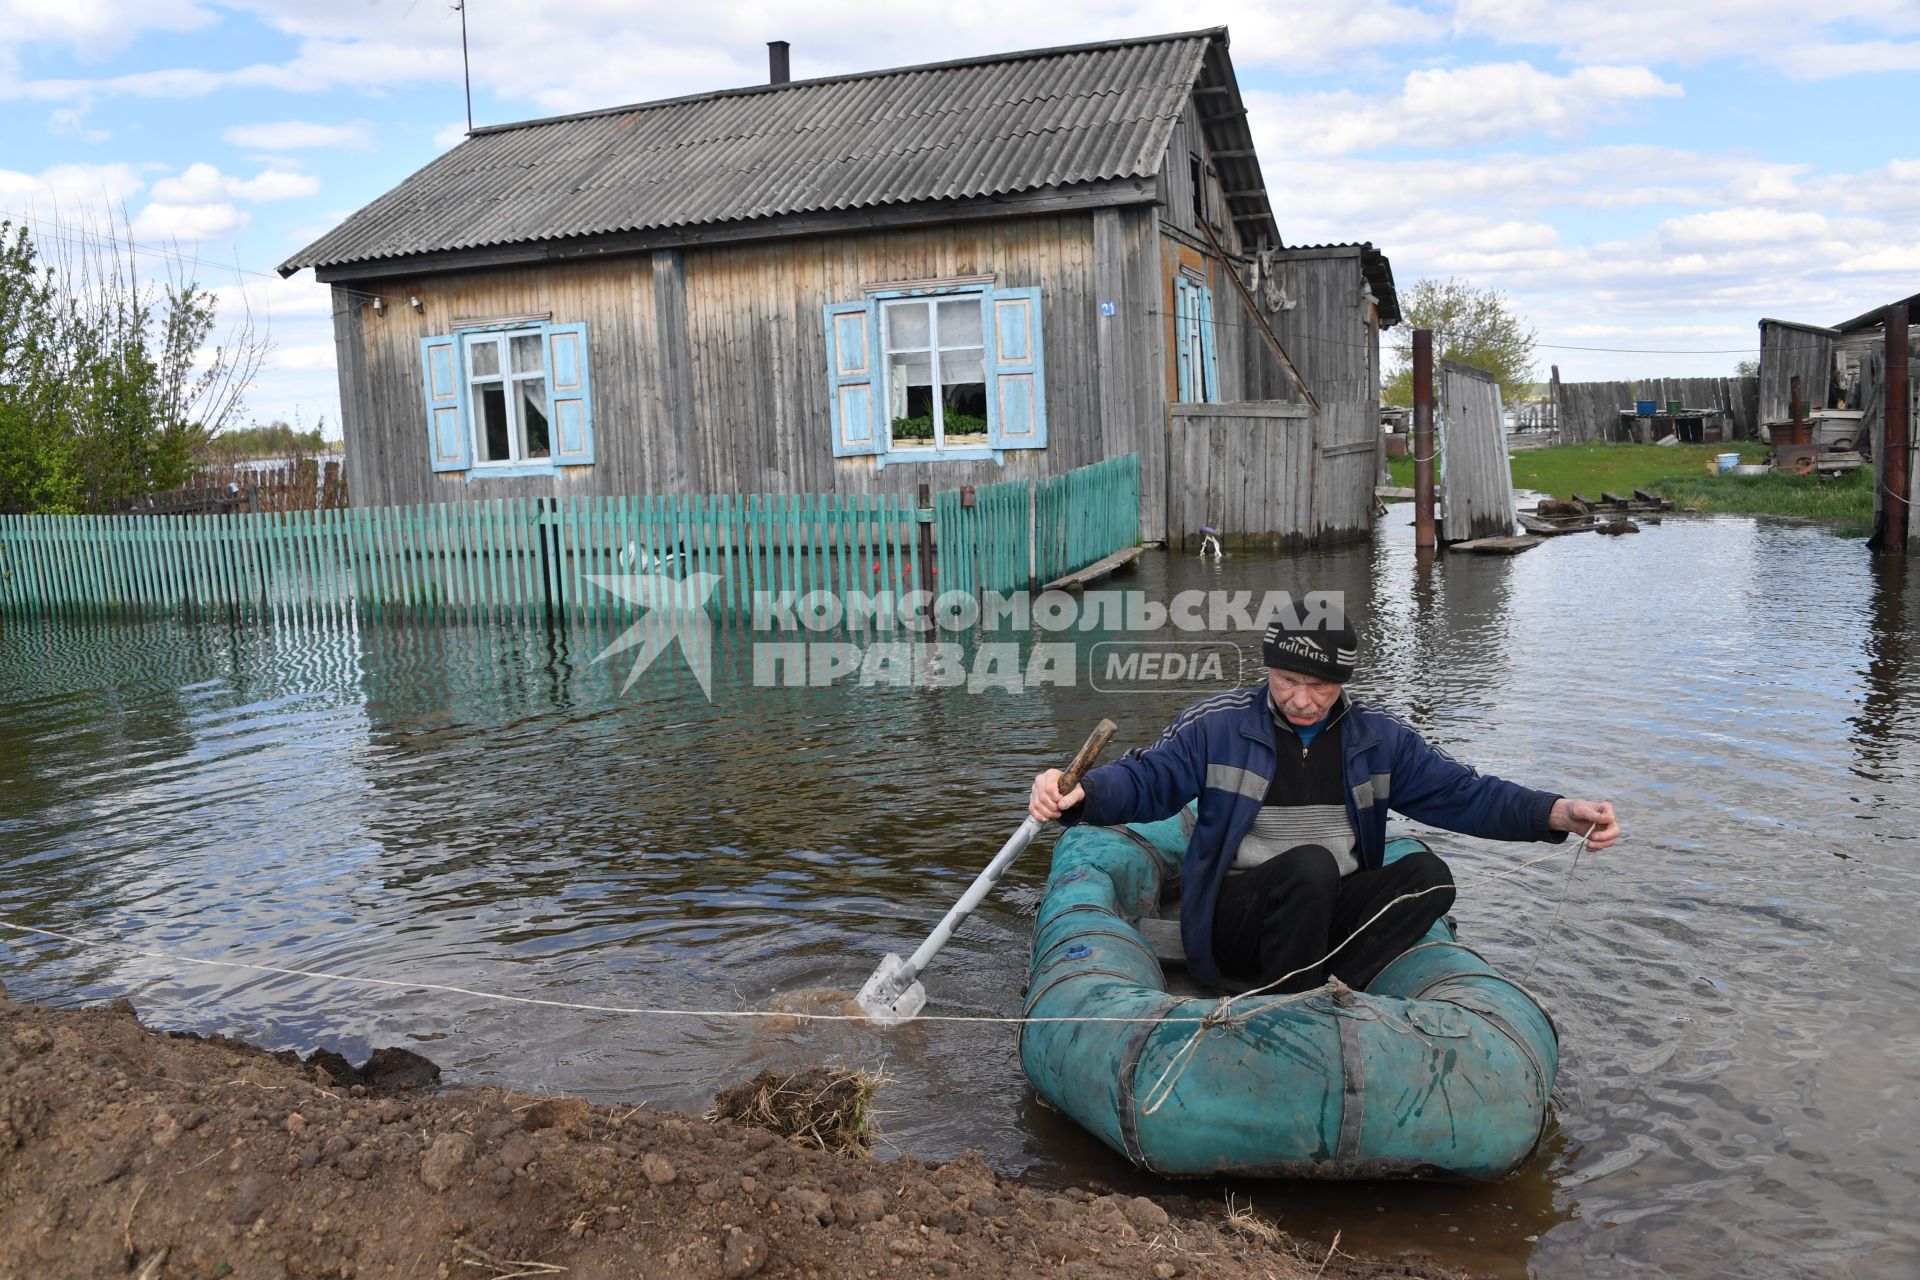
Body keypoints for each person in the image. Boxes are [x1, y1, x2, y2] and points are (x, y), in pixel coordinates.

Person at [1029, 614, 1619, 994]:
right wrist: (1085, 794)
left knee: (1430, 876)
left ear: (1343, 684)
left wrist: (1558, 813)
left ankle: (1332, 981)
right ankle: (1290, 1004)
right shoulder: (1218, 726)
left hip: (1328, 909)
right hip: (1236, 913)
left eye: (1320, 687)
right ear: (1268, 671)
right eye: (1288, 682)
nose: (1303, 701)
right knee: (1309, 865)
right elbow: (1149, 777)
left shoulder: (1378, 739)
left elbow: (1464, 793)